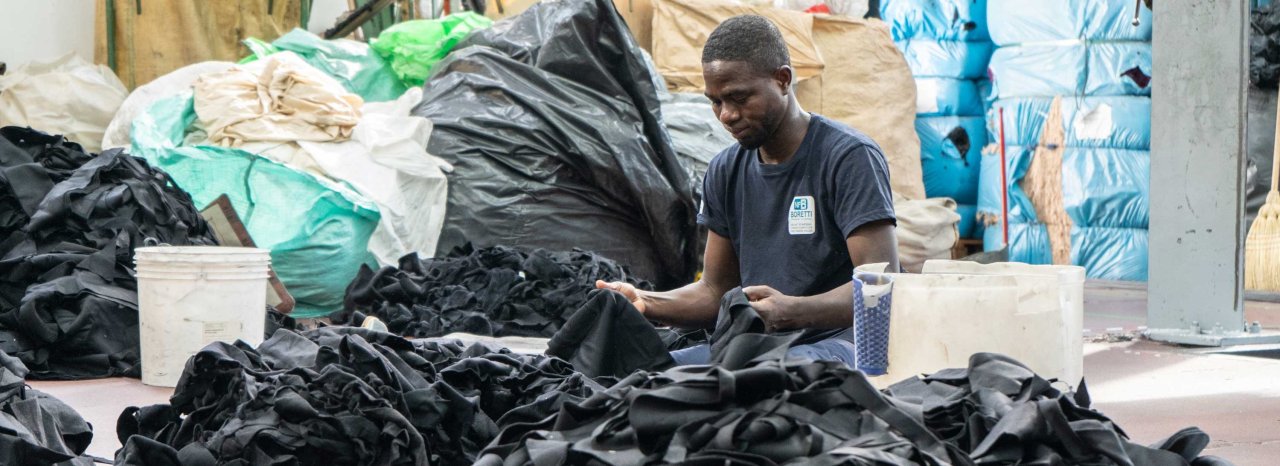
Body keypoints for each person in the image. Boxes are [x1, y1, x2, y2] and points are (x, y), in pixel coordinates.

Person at [597, 14, 900, 366]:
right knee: (643, 374)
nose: (726, 115)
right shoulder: (726, 170)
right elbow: (713, 291)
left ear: (783, 79)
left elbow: (880, 285)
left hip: (842, 345)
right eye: (716, 101)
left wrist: (795, 311)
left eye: (738, 98)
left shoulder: (848, 158)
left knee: (756, 381)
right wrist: (647, 302)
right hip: (758, 345)